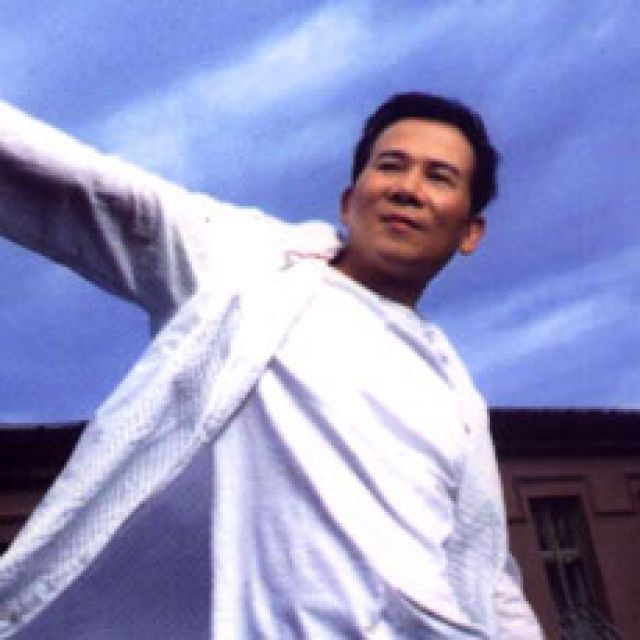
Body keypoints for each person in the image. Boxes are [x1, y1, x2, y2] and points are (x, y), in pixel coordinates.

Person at [0, 92, 544, 639]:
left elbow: (487, 575)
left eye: (439, 177)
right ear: (348, 201)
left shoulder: (454, 397)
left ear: (470, 232)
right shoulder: (250, 267)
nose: (408, 189)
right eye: (390, 165)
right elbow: (93, 189)